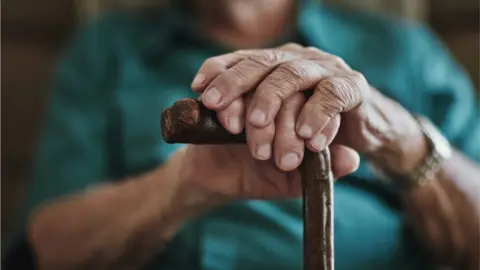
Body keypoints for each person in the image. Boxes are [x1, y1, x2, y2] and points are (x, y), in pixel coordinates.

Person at [4, 0, 480, 269]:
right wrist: (181, 186)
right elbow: (49, 249)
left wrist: (399, 138)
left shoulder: (404, 51)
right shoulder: (107, 49)